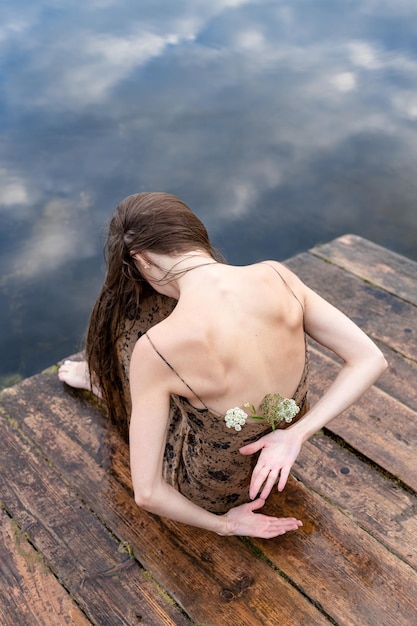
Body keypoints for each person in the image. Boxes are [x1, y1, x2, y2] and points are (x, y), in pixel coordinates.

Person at [58, 192, 387, 539]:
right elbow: (370, 359)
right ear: (196, 236)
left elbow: (148, 493)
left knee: (138, 316)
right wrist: (293, 435)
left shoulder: (156, 348)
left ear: (141, 259)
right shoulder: (277, 275)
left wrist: (226, 524)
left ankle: (105, 384)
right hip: (276, 459)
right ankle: (118, 385)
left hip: (212, 492)